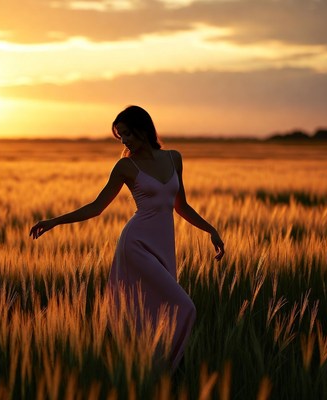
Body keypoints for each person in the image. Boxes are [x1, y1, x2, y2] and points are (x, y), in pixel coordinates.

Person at [29, 105, 225, 371]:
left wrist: (210, 229)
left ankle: (157, 371)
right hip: (136, 245)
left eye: (127, 134)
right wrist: (54, 221)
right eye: (120, 136)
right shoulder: (125, 166)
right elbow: (96, 207)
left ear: (143, 130)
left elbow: (181, 207)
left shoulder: (173, 158)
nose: (123, 141)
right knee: (185, 306)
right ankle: (163, 370)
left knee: (161, 313)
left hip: (164, 246)